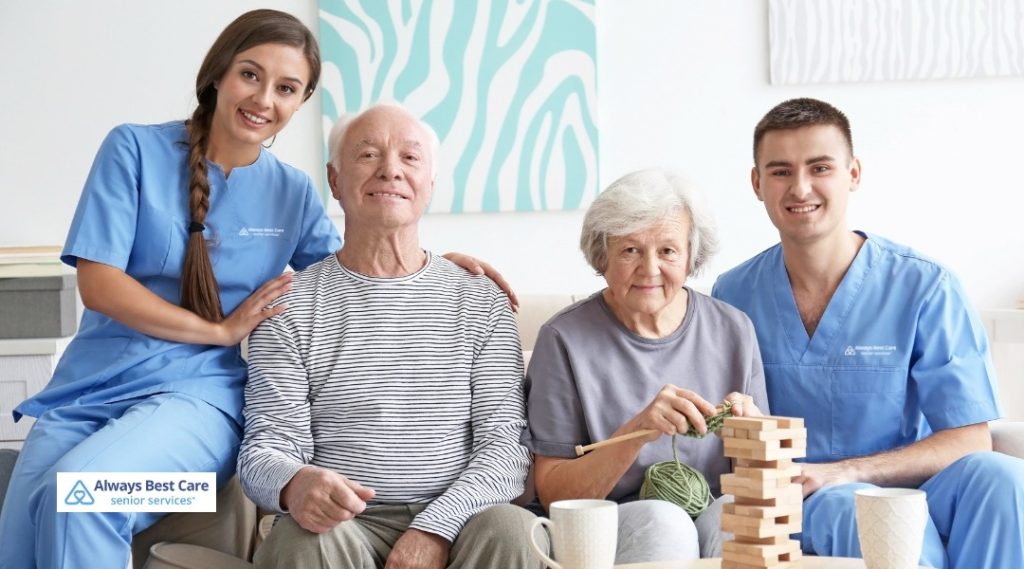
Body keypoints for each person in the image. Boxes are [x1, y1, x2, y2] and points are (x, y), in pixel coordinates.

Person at [0, 11, 512, 569]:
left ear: (300, 102)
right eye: (250, 74)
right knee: (19, 538)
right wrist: (217, 330)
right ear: (219, 73)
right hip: (86, 392)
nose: (264, 98)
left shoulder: (291, 192)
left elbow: (364, 265)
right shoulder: (133, 150)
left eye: (286, 88)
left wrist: (441, 265)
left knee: (81, 497)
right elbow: (98, 284)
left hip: (198, 404)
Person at [712, 97, 1024, 569]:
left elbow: (969, 439)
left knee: (1001, 477)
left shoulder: (925, 286)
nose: (800, 187)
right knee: (855, 506)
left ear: (853, 174)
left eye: (820, 167)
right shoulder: (733, 294)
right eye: (780, 171)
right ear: (757, 183)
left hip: (917, 491)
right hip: (808, 501)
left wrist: (847, 471)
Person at [237, 103, 536, 569]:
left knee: (512, 529)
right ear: (335, 182)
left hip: (460, 520)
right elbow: (264, 449)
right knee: (302, 541)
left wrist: (435, 527)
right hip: (343, 527)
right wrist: (296, 483)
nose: (390, 171)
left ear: (430, 184)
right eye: (368, 155)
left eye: (410, 159)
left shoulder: (479, 300)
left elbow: (505, 447)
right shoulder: (290, 305)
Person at [520, 168, 770, 564]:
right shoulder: (564, 339)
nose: (649, 269)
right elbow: (553, 494)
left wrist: (756, 436)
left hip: (711, 510)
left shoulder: (733, 329)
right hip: (621, 519)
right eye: (630, 250)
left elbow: (760, 481)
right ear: (602, 257)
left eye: (668, 250)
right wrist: (637, 432)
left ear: (691, 257)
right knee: (663, 519)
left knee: (739, 514)